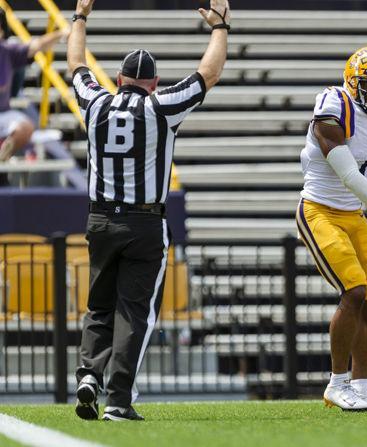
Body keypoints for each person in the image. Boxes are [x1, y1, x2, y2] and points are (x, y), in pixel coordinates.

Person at [68, 0, 230, 421]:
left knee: (99, 304)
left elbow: (75, 65)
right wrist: (220, 27)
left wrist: (80, 16)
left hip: (100, 219)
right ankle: (118, 399)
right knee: (134, 311)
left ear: (119, 79)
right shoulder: (161, 107)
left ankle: (89, 372)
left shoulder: (96, 103)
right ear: (154, 83)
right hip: (143, 221)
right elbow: (207, 75)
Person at [297, 46, 367, 411]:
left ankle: (360, 387)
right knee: (354, 291)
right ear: (352, 81)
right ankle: (336, 384)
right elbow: (348, 174)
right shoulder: (333, 106)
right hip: (319, 211)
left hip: (354, 215)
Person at [0, 9, 67, 163]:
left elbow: (37, 45)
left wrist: (62, 32)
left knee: (26, 127)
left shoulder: (7, 51)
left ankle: (2, 157)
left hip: (3, 113)